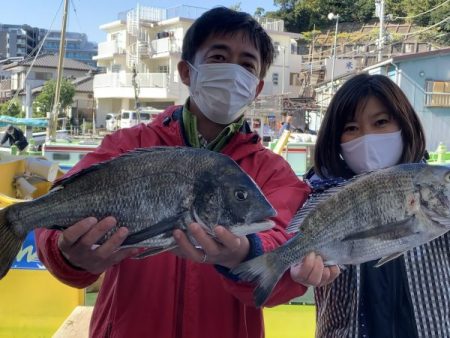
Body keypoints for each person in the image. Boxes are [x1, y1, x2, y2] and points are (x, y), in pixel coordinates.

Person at [35, 7, 339, 338]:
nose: (233, 71)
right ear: (186, 71)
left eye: (247, 65)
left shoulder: (274, 172)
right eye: (219, 57)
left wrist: (246, 252)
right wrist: (70, 255)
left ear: (256, 87)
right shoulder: (128, 144)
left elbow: (285, 248)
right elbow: (57, 206)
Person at [302, 73, 449, 338]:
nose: (367, 137)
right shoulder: (316, 199)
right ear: (335, 139)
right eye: (351, 128)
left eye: (381, 122)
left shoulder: (435, 188)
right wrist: (298, 269)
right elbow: (287, 247)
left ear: (405, 124)